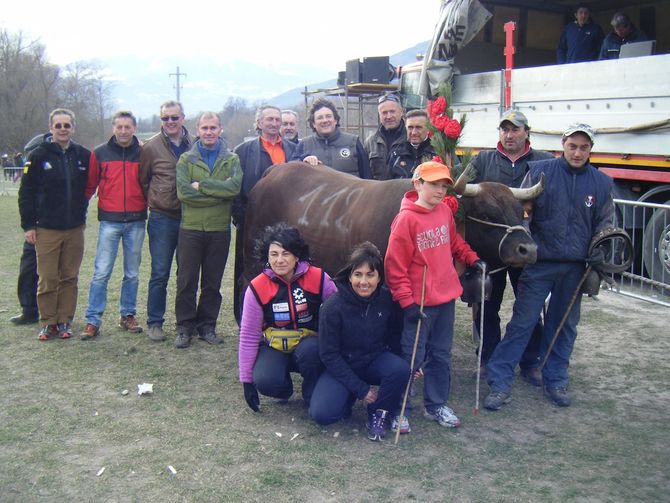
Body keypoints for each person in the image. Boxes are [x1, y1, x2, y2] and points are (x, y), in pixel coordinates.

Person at [484, 124, 614, 410]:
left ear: (590, 149)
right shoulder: (542, 171)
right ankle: (499, 382)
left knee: (564, 326)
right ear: (563, 145)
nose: (577, 152)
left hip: (576, 267)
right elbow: (525, 214)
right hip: (540, 264)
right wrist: (527, 242)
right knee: (523, 323)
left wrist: (599, 250)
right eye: (572, 146)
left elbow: (606, 223)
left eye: (583, 147)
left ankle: (555, 379)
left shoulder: (602, 183)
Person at [385, 161, 486, 430]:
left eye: (444, 186)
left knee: (441, 355)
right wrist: (406, 303)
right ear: (417, 183)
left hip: (445, 300)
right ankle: (399, 408)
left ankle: (436, 404)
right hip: (418, 304)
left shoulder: (443, 212)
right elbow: (394, 266)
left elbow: (454, 243)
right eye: (434, 185)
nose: (441, 191)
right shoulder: (405, 219)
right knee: (411, 357)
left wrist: (471, 258)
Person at [469, 110, 554, 385]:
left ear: (526, 132)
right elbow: (462, 190)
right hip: (490, 248)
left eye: (515, 129)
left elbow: (551, 200)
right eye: (504, 129)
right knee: (486, 304)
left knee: (528, 305)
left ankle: (530, 360)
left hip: (525, 246)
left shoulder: (543, 162)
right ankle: (487, 357)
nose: (509, 135)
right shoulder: (483, 160)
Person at [309, 242, 409, 442]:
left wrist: (411, 364)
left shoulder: (387, 299)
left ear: (379, 277)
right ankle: (348, 396)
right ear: (349, 276)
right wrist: (361, 389)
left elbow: (394, 337)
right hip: (343, 365)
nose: (364, 282)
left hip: (374, 360)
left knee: (400, 369)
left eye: (370, 275)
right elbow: (329, 355)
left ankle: (378, 412)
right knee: (323, 415)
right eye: (358, 275)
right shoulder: (332, 308)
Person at [239, 223, 337, 411]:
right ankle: (284, 388)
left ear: (297, 255)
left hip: (310, 347)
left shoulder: (319, 278)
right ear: (267, 256)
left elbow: (338, 313)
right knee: (266, 381)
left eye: (286, 254)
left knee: (311, 351)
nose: (280, 260)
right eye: (274, 254)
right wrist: (247, 381)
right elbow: (249, 336)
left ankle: (313, 390)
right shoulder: (257, 287)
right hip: (275, 346)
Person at [18, 108, 91, 340]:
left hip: (74, 228)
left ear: (73, 128)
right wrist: (28, 225)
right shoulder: (38, 155)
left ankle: (64, 321)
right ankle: (48, 321)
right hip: (47, 228)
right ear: (51, 128)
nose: (62, 129)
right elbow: (26, 192)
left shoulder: (82, 155)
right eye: (58, 125)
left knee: (69, 277)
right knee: (48, 277)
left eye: (66, 125)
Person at [174, 111, 242, 349]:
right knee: (186, 280)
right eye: (205, 128)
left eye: (213, 128)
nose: (209, 132)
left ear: (220, 130)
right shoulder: (186, 160)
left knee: (212, 282)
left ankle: (207, 326)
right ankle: (184, 327)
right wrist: (217, 192)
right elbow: (184, 194)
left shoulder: (231, 160)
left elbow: (233, 189)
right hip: (190, 229)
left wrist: (202, 186)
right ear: (198, 130)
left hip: (218, 230)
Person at [79, 111, 146, 340]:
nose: (124, 131)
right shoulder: (100, 153)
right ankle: (93, 319)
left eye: (128, 127)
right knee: (101, 272)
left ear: (134, 128)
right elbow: (90, 185)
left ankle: (127, 314)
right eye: (120, 127)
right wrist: (80, 211)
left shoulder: (143, 153)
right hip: (110, 221)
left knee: (132, 273)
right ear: (113, 128)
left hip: (136, 221)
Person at [233, 106, 297, 319]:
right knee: (250, 271)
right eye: (269, 119)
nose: (274, 123)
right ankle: (246, 318)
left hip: (286, 224)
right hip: (254, 224)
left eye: (277, 119)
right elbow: (236, 188)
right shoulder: (243, 151)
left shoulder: (293, 149)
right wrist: (243, 218)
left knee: (284, 270)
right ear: (259, 123)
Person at [139, 101, 194, 342]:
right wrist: (157, 199)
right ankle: (154, 322)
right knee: (160, 272)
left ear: (183, 118)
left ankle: (185, 323)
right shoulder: (150, 147)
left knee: (187, 273)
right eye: (165, 119)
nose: (170, 122)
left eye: (174, 118)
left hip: (190, 217)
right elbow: (143, 180)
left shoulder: (195, 145)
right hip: (162, 218)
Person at [9, 133, 51, 325]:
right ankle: (29, 308)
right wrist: (28, 225)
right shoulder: (33, 164)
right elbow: (25, 196)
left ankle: (53, 310)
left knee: (54, 271)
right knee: (29, 267)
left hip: (57, 224)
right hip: (36, 222)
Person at [292, 98, 371, 179]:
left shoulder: (353, 142)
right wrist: (303, 162)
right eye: (320, 118)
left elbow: (367, 178)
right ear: (313, 124)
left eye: (328, 116)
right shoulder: (304, 145)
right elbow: (291, 174)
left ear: (335, 120)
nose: (325, 120)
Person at [365, 93, 406, 180]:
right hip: (378, 192)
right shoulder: (371, 142)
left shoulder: (411, 139)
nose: (389, 116)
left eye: (392, 111)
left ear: (401, 112)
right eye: (384, 113)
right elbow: (364, 174)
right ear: (379, 115)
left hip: (404, 192)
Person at [386, 109, 435, 179]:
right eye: (410, 128)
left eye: (418, 127)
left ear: (428, 129)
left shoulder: (437, 152)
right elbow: (387, 182)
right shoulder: (396, 152)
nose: (414, 132)